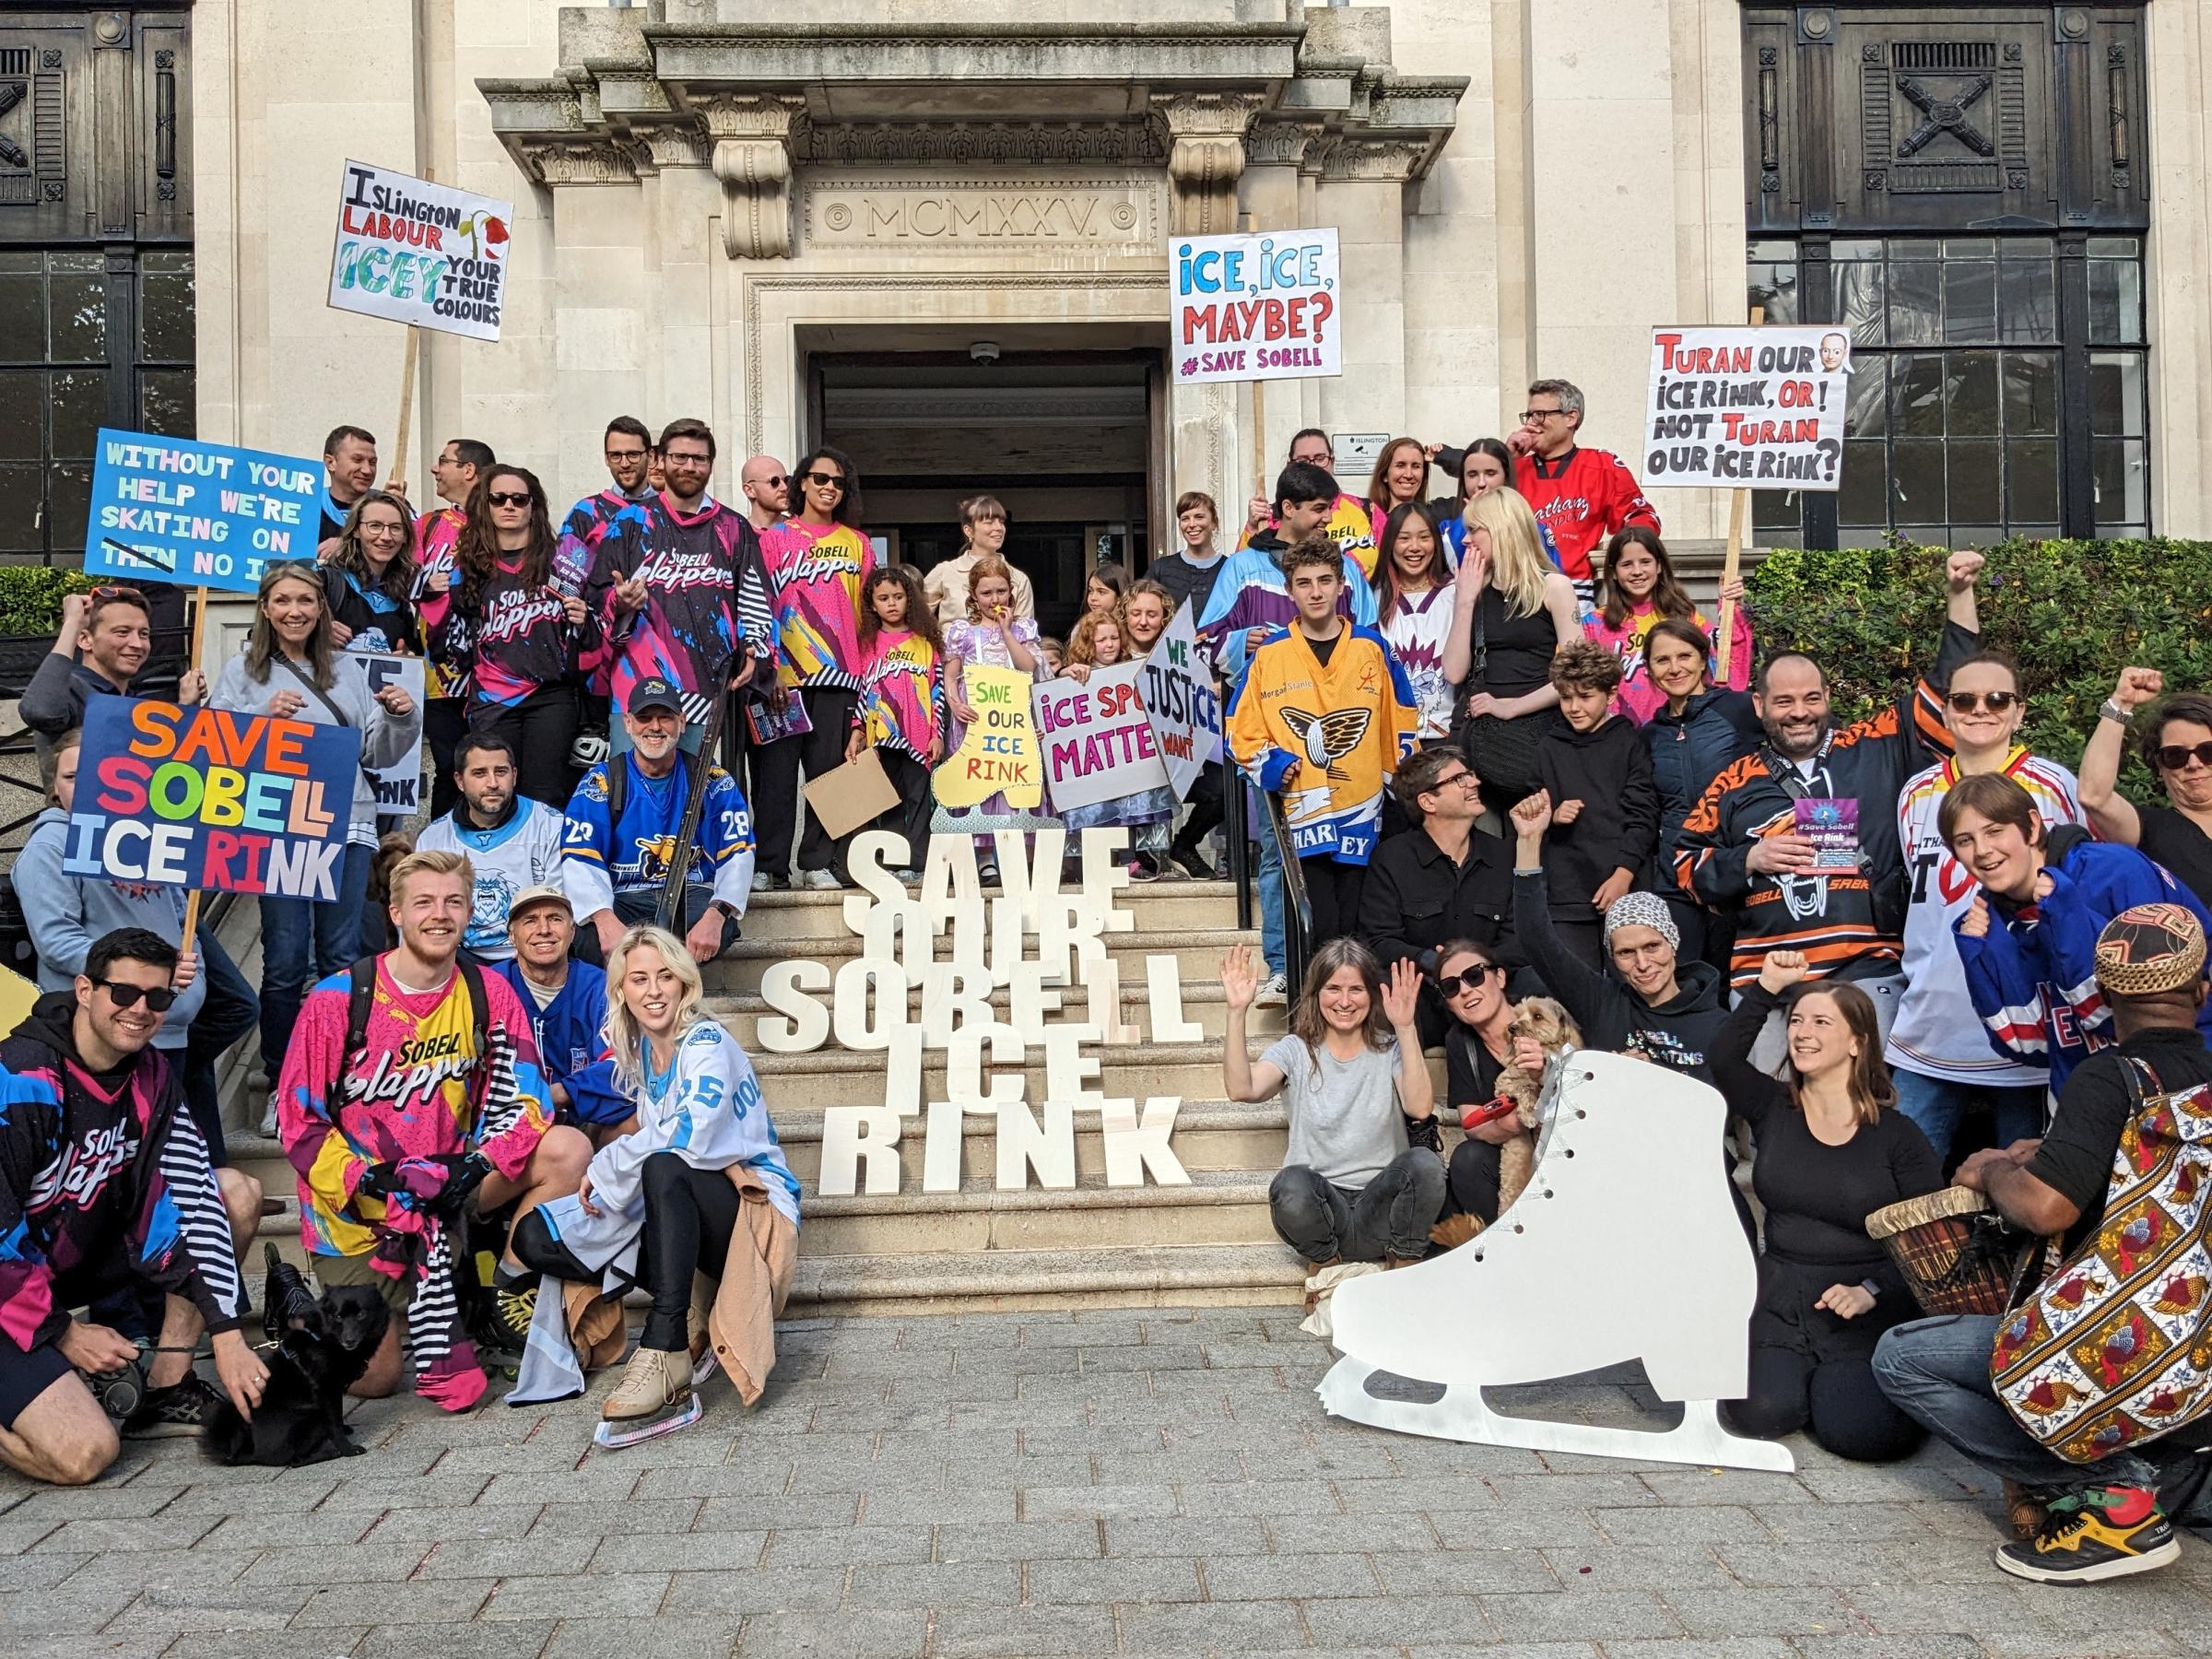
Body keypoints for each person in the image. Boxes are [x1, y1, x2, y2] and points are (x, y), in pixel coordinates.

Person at [1874, 905, 2212, 1583]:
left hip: (2116, 1337)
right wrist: (2054, 1152)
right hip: (2195, 1345)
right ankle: (2150, 1475)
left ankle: (2121, 1494)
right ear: (2200, 990)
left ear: (2107, 996)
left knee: (1902, 1359)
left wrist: (1993, 1167)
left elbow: (2045, 1208)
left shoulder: (2112, 1077)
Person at [277, 850, 584, 1402]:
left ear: (470, 913)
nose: (439, 914)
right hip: (359, 1217)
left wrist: (481, 1162)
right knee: (377, 1380)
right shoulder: (336, 1001)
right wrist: (365, 1180)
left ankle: (498, 1293)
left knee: (568, 1148)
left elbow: (531, 1100)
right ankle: (295, 1306)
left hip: (450, 1192)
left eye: (453, 902)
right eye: (424, 902)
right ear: (395, 912)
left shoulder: (486, 990)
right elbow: (297, 1123)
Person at [508, 925, 799, 1440]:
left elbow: (691, 1135)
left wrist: (604, 1165)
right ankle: (689, 1304)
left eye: (666, 976)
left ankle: (665, 1348)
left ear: (685, 984)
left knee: (664, 1166)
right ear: (621, 991)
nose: (654, 990)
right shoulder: (643, 1053)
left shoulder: (707, 1042)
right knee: (537, 1235)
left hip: (755, 1217)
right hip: (692, 1208)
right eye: (639, 979)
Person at [1674, 550, 1987, 1029]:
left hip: (1866, 974)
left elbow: (1950, 690)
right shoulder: (1732, 780)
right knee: (1764, 1104)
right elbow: (1683, 864)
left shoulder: (1876, 744)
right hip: (1764, 984)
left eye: (1811, 698)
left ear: (1827, 699)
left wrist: (1960, 595)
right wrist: (1748, 860)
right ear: (1759, 706)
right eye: (1784, 701)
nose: (1799, 712)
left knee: (1865, 1103)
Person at [0, 929, 266, 1482]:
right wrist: (63, 1333)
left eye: (158, 998)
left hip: (80, 1256)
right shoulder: (20, 1076)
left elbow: (189, 1190)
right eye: (123, 993)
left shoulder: (151, 1074)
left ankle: (167, 1386)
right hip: (11, 1281)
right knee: (84, 1455)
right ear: (84, 989)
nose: (140, 1010)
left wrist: (226, 1330)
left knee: (233, 1192)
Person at [1708, 948, 1940, 1462]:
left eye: (1821, 1022)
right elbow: (1721, 1058)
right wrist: (1765, 989)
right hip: (1781, 1293)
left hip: (1862, 1304)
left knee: (1863, 1437)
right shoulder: (1773, 1108)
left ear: (1857, 1042)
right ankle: (1798, 1382)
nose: (1802, 1032)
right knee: (1761, 1415)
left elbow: (1938, 1245)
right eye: (1796, 1021)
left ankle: (1847, 1387)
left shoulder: (1898, 1137)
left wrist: (1874, 1290)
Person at [211, 562, 420, 1082]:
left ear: (321, 607)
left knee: (341, 956)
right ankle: (283, 1075)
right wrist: (260, 717)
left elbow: (374, 751)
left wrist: (401, 716)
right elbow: (213, 754)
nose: (294, 611)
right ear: (264, 608)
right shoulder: (241, 672)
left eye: (305, 601)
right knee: (283, 961)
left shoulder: (346, 667)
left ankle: (341, 1071)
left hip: (346, 824)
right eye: (282, 601)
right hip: (279, 829)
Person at [1888, 653, 2086, 1161]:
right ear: (1947, 712)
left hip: (2031, 1017)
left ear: (2019, 712)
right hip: (1933, 1018)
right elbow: (1923, 895)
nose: (1981, 709)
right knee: (1904, 1179)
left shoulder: (2051, 785)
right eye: (1965, 699)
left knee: (2029, 1184)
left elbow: (2073, 889)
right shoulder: (1914, 792)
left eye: (1997, 699)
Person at [17, 731, 247, 1166]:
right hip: (108, 1033)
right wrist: (141, 982)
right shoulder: (48, 849)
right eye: (71, 776)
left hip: (168, 1029)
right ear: (53, 788)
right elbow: (57, 941)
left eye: (99, 774)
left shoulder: (148, 838)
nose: (86, 786)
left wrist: (189, 981)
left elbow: (184, 922)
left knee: (170, 1161)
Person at [1947, 771, 2212, 1088]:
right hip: (2085, 1093)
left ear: (2031, 826)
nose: (1982, 850)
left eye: (1995, 831)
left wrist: (2065, 913)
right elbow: (2028, 1045)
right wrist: (1981, 954)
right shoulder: (1990, 922)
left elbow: (2140, 1017)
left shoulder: (2114, 872)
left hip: (2182, 1085)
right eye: (1965, 840)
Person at [1228, 539, 1418, 948]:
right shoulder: (1267, 657)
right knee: (1318, 934)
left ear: (1340, 586)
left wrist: (1400, 791)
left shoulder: (1374, 647)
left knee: (1360, 930)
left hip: (1364, 810)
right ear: (1289, 591)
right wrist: (1272, 763)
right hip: (1302, 812)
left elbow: (1400, 722)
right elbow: (1239, 727)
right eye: (1304, 583)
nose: (1315, 591)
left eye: (1324, 581)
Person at [1220, 938, 1443, 1270]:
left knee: (1425, 1164)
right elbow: (1242, 1088)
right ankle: (1325, 1266)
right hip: (1323, 1212)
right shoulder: (1295, 1050)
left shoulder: (1391, 1048)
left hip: (1383, 1210)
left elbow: (1420, 1107)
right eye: (1333, 988)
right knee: (1290, 1185)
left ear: (1372, 994)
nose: (1344, 1001)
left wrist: (1406, 1027)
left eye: (1356, 989)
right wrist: (1237, 1011)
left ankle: (1404, 1262)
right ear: (1316, 993)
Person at [1508, 791, 1729, 1080]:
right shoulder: (1602, 1002)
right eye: (1626, 953)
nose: (1643, 963)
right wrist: (1529, 840)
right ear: (1613, 958)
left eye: (1652, 946)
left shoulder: (1718, 1023)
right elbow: (1536, 939)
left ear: (1672, 944)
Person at [422, 464, 602, 809]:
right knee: (496, 796)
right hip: (492, 697)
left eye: (519, 499)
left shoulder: (563, 561)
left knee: (547, 795)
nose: (508, 506)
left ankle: (544, 864)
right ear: (485, 505)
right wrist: (436, 603)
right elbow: (449, 649)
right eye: (499, 498)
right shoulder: (466, 567)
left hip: (552, 695)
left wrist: (583, 620)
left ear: (534, 506)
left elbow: (594, 639)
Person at [585, 417, 776, 741]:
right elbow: (596, 594)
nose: (689, 466)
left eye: (699, 458)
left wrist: (755, 648)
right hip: (637, 691)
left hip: (713, 692)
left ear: (711, 465)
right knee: (633, 789)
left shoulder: (733, 527)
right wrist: (619, 603)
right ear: (660, 460)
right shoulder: (629, 522)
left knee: (707, 791)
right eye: (679, 457)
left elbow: (756, 598)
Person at [562, 677, 756, 966]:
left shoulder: (712, 780)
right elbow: (579, 856)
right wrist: (603, 918)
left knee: (723, 926)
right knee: (585, 934)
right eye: (644, 718)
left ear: (682, 721)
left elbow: (738, 850)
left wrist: (717, 914)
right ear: (627, 723)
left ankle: (670, 992)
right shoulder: (600, 781)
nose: (655, 727)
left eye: (665, 717)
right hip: (624, 897)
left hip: (690, 895)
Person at [755, 445, 873, 892]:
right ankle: (771, 866)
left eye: (839, 483)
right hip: (784, 680)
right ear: (802, 482)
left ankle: (817, 861)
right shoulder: (774, 540)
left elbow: (869, 615)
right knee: (776, 779)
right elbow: (757, 608)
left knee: (832, 777)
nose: (829, 488)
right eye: (821, 478)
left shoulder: (858, 544)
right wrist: (771, 669)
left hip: (843, 677)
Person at [1439, 487, 1581, 807]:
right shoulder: (1472, 588)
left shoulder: (1554, 587)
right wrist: (1464, 600)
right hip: (1480, 742)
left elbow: (1576, 674)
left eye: (1474, 530)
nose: (1465, 540)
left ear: (1502, 529)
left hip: (1537, 736)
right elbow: (1454, 670)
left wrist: (1510, 707)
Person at [1358, 747, 1517, 1022]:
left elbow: (1520, 938)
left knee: (1538, 982)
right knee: (1385, 994)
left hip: (1492, 989)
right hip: (1424, 993)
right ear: (1428, 802)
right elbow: (1379, 941)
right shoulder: (1392, 859)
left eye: (1470, 775)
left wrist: (1473, 968)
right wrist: (1436, 963)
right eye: (1459, 780)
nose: (1474, 782)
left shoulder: (1504, 856)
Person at [1641, 617, 1763, 971]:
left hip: (1737, 869)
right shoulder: (1649, 735)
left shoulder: (1740, 709)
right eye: (1662, 660)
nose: (1675, 668)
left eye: (1685, 656)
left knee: (1737, 980)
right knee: (1685, 979)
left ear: (1703, 658)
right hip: (1676, 877)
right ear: (1648, 668)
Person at [1528, 641, 1658, 968]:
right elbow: (1532, 807)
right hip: (1567, 895)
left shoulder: (1629, 742)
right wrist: (1553, 815)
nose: (1574, 707)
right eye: (1566, 697)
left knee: (1630, 985)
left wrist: (1623, 875)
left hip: (1626, 887)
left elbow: (1644, 815)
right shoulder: (1548, 747)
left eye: (1585, 697)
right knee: (1576, 990)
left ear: (1611, 696)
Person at [1197, 462, 1380, 685]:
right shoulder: (1242, 567)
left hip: (1333, 710)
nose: (1329, 518)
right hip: (1262, 712)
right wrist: (1239, 642)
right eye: (1319, 509)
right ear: (1288, 508)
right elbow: (1201, 646)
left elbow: (1373, 644)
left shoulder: (1346, 569)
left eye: (1330, 508)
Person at [414, 732, 566, 963]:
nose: (493, 783)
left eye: (501, 772)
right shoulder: (433, 838)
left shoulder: (551, 825)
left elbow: (559, 907)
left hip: (535, 957)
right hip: (459, 959)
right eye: (479, 773)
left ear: (514, 776)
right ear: (459, 781)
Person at [1505, 378, 1659, 595]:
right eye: (1529, 415)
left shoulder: (1602, 466)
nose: (1531, 423)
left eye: (1540, 415)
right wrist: (1505, 458)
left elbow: (1642, 516)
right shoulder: (1511, 469)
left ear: (1571, 417)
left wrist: (1624, 554)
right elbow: (1477, 513)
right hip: (1516, 590)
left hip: (1578, 592)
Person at [942, 555, 1044, 885]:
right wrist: (955, 704)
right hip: (975, 719)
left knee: (1013, 781)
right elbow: (951, 674)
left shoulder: (1024, 628)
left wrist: (1007, 631)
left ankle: (1018, 856)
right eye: (986, 593)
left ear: (1011, 592)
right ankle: (984, 857)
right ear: (973, 596)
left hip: (1012, 717)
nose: (994, 600)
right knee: (981, 783)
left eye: (1000, 591)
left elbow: (1028, 667)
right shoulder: (962, 632)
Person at [1582, 527, 1750, 724]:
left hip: (1674, 733)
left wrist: (1731, 606)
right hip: (1617, 737)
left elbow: (1727, 661)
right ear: (1614, 573)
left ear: (1659, 566)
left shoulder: (1685, 617)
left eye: (1645, 562)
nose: (1637, 571)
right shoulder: (1593, 625)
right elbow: (1579, 686)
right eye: (1627, 564)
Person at [411, 438, 496, 818]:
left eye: (443, 461)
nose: (435, 468)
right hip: (437, 676)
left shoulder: (506, 521)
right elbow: (394, 580)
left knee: (493, 772)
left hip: (496, 674)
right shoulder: (428, 525)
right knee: (450, 769)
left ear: (468, 470)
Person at [19, 586, 206, 759]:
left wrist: (186, 705)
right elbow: (40, 712)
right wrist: (72, 624)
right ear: (85, 639)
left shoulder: (133, 700)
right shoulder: (70, 689)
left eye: (144, 634)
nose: (137, 644)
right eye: (122, 632)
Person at [1058, 610, 1176, 881]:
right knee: (1099, 808)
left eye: (1114, 638)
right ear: (1088, 644)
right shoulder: (1076, 675)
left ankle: (1134, 859)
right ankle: (1097, 863)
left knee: (1136, 799)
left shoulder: (1133, 669)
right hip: (1095, 761)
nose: (1110, 644)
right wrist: (1066, 672)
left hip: (1129, 757)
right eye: (1102, 640)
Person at [2079, 670, 2212, 912]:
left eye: (2208, 751)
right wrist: (2120, 703)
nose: (2194, 764)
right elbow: (2093, 796)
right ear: (2160, 767)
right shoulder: (2151, 829)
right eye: (2176, 755)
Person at [844, 564, 944, 878]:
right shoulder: (867, 644)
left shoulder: (926, 643)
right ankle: (892, 861)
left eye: (898, 597)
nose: (891, 603)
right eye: (884, 597)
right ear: (872, 604)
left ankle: (916, 864)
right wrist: (858, 730)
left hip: (917, 737)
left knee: (918, 800)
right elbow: (861, 690)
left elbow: (936, 690)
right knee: (888, 801)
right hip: (882, 737)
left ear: (909, 600)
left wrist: (936, 734)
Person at [1424, 939, 1524, 1237]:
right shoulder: (1461, 1040)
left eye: (1474, 975)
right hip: (1512, 1159)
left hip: (1564, 1150)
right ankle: (1504, 1249)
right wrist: (1510, 1126)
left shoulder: (1539, 1015)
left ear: (1500, 977)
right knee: (1468, 1160)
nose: (1466, 990)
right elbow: (1471, 1123)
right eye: (1452, 987)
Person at [1123, 580, 1221, 880]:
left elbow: (1200, 690)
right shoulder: (1111, 649)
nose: (1143, 621)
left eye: (1151, 614)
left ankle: (1184, 846)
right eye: (1136, 613)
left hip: (1175, 758)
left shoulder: (1183, 653)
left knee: (1223, 788)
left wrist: (1211, 689)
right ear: (1124, 614)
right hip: (1129, 764)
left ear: (1164, 617)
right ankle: (1137, 855)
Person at [494, 885, 615, 1130]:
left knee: (633, 1122)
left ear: (572, 932)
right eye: (530, 921)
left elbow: (619, 1065)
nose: (544, 930)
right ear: (511, 936)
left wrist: (558, 1094)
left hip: (586, 1120)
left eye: (555, 919)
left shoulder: (600, 986)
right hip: (509, 1121)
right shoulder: (491, 986)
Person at [1371, 502, 1457, 748]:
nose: (1415, 547)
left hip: (1444, 738)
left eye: (1424, 537)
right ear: (1389, 544)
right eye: (1404, 538)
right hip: (1390, 740)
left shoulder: (1456, 594)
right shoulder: (1373, 598)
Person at [1239, 429, 1379, 577]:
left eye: (1320, 458)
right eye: (1303, 461)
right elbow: (1244, 571)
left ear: (1332, 461)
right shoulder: (1271, 515)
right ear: (1289, 466)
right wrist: (1252, 527)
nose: (1313, 466)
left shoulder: (1366, 509)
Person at [552, 416, 659, 594]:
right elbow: (562, 586)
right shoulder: (585, 513)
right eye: (616, 455)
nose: (624, 464)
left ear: (650, 456)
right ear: (606, 459)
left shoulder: (671, 510)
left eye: (633, 455)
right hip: (600, 621)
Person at [321, 488, 420, 657]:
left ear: (405, 536)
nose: (386, 536)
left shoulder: (400, 591)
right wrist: (316, 632)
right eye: (375, 526)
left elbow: (406, 652)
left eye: (396, 528)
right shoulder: (327, 581)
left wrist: (405, 657)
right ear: (355, 530)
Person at [924, 493, 1036, 629]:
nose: (999, 528)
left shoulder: (1019, 578)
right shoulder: (946, 571)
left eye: (1001, 522)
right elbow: (916, 615)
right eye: (989, 522)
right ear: (969, 531)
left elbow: (1025, 634)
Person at [1151, 491, 1228, 623]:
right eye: (1185, 518)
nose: (1191, 524)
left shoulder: (1230, 568)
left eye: (1199, 517)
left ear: (1214, 522)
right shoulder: (1160, 569)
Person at [316, 424, 379, 550]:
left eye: (372, 463)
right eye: (357, 460)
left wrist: (398, 511)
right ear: (331, 463)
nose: (367, 470)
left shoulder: (387, 505)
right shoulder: (308, 507)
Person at [1363, 436, 1430, 529]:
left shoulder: (1437, 516)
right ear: (1385, 475)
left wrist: (1445, 456)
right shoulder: (1368, 523)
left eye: (1416, 466)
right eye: (1400, 465)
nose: (1408, 475)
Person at [738, 454, 789, 534]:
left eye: (786, 480)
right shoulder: (737, 536)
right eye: (774, 482)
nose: (784, 488)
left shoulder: (803, 533)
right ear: (749, 490)